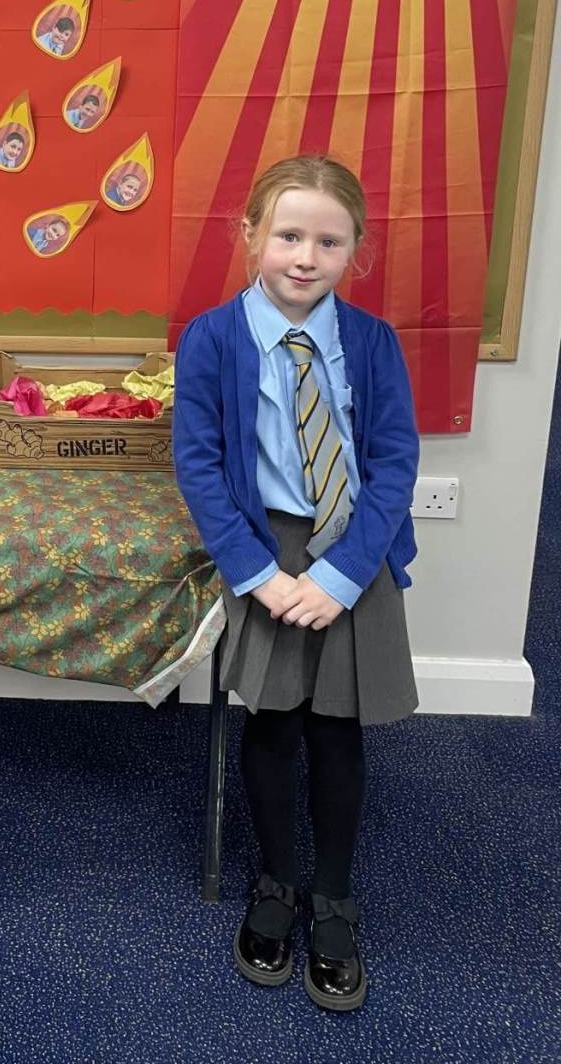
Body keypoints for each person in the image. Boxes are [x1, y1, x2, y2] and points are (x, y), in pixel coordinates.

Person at [172, 155, 419, 1014]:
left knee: (338, 733)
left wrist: (344, 576)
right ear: (250, 237)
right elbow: (200, 466)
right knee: (274, 724)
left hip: (353, 551)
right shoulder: (211, 339)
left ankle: (334, 896)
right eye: (287, 236)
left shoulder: (374, 343)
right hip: (265, 550)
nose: (306, 258)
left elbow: (394, 464)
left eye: (328, 242)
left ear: (356, 249)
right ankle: (276, 882)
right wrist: (259, 576)